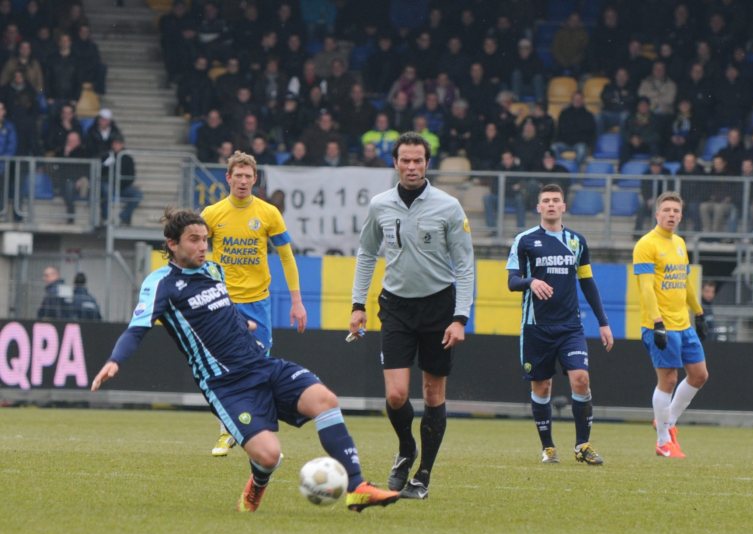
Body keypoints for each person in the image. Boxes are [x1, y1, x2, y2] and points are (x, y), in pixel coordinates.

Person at [90, 208, 400, 513]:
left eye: (205, 240)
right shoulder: (161, 283)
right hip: (226, 386)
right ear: (172, 244)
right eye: (194, 240)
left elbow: (221, 309)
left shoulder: (214, 271)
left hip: (261, 365)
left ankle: (357, 488)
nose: (202, 247)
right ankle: (258, 482)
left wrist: (243, 324)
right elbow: (137, 328)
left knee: (326, 400)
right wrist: (115, 360)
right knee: (269, 456)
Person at [349, 132, 475, 500]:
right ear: (395, 163)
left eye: (418, 160)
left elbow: (465, 266)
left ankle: (423, 476)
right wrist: (358, 305)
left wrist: (460, 317)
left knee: (433, 393)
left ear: (427, 163)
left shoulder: (449, 207)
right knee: (396, 394)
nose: (411, 166)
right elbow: (366, 253)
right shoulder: (380, 205)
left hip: (439, 308)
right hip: (396, 307)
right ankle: (406, 449)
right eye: (405, 160)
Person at [201, 150, 307, 457]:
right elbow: (193, 248)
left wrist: (297, 301)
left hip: (258, 303)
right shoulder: (212, 214)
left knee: (259, 370)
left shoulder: (269, 213)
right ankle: (226, 432)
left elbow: (287, 257)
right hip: (224, 304)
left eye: (249, 176)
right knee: (222, 367)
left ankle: (262, 437)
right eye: (239, 176)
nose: (243, 181)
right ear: (228, 178)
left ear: (255, 179)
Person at [506, 183, 613, 465]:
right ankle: (548, 447)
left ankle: (583, 445)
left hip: (570, 328)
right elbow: (512, 281)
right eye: (546, 201)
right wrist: (532, 281)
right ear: (539, 207)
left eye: (556, 200)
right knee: (541, 388)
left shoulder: (577, 241)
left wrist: (603, 322)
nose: (551, 204)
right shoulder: (524, 240)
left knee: (581, 378)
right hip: (536, 327)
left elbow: (587, 283)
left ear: (563, 206)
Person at [633, 191, 709, 459]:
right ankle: (663, 441)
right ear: (657, 214)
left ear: (681, 215)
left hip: (683, 323)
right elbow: (645, 288)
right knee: (669, 379)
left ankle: (667, 420)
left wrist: (698, 312)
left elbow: (685, 281)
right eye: (666, 210)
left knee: (699, 375)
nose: (671, 215)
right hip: (660, 323)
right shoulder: (646, 244)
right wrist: (656, 322)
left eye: (676, 211)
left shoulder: (679, 243)